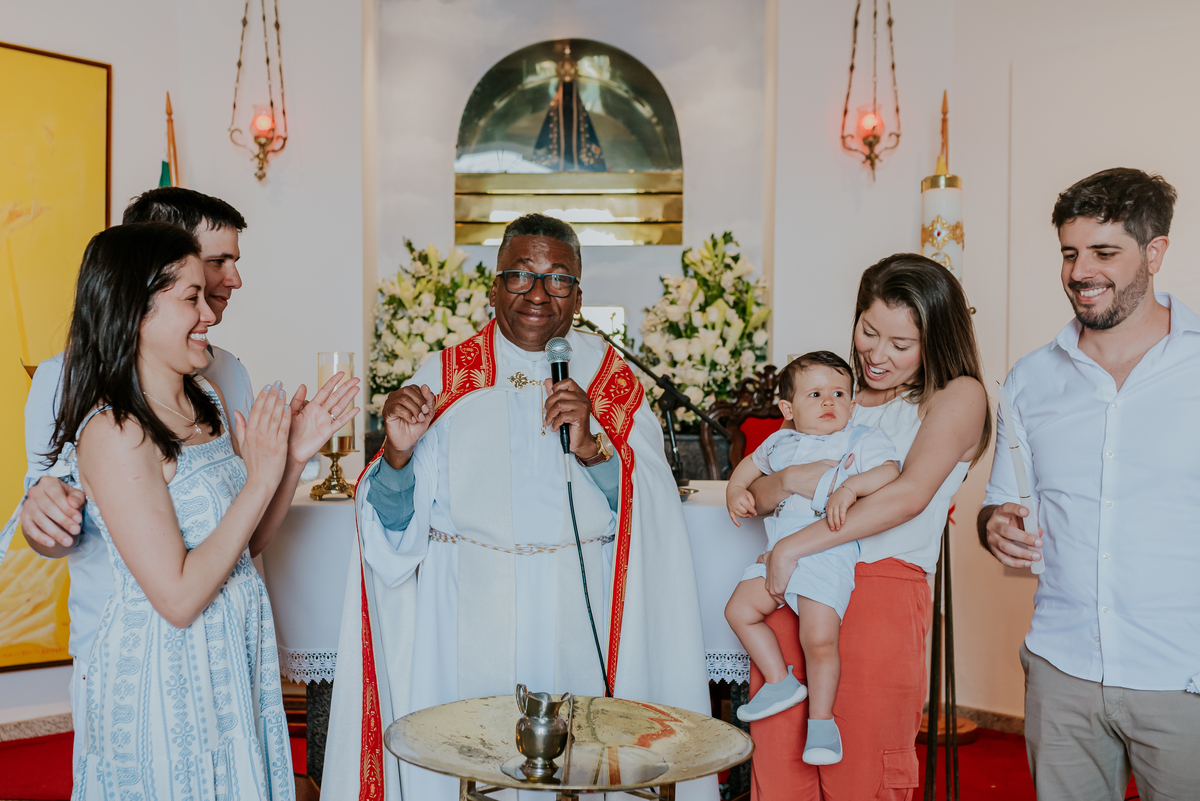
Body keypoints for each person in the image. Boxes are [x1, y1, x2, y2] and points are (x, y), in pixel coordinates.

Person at [323, 213, 713, 801]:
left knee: (579, 771)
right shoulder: (444, 378)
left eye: (558, 279)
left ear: (579, 296)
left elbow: (652, 513)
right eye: (520, 276)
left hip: (579, 618)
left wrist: (592, 449)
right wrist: (397, 456)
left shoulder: (610, 380)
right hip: (466, 608)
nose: (537, 293)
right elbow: (390, 528)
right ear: (493, 287)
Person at [50, 223, 358, 798]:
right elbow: (179, 596)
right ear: (135, 309)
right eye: (190, 298)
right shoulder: (115, 430)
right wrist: (259, 475)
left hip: (229, 659)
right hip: (166, 673)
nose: (210, 313)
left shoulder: (206, 400)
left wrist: (289, 461)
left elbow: (245, 546)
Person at [14, 187, 253, 773]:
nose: (232, 280)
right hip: (130, 644)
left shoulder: (226, 374)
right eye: (216, 262)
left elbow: (233, 508)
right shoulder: (63, 380)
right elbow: (49, 524)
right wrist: (40, 510)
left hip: (224, 641)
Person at [979, 168, 1200, 798]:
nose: (1081, 271)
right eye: (1070, 253)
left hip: (1183, 675)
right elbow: (1003, 501)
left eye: (1105, 252)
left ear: (1154, 253)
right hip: (1062, 669)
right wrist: (995, 525)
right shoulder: (1028, 380)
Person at [745, 255, 990, 799]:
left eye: (900, 344)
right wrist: (792, 476)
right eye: (868, 331)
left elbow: (905, 496)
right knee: (781, 762)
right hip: (794, 591)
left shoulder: (956, 395)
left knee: (860, 769)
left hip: (880, 588)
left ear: (937, 339)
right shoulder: (833, 393)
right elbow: (757, 494)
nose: (876, 355)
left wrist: (791, 546)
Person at [724, 352, 899, 765]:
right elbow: (747, 467)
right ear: (788, 408)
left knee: (819, 639)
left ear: (853, 404)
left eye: (839, 394)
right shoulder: (780, 442)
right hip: (775, 557)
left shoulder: (860, 440)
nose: (828, 403)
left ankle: (821, 723)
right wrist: (736, 491)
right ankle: (780, 681)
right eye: (815, 394)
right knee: (738, 611)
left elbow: (890, 472)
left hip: (825, 551)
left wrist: (850, 488)